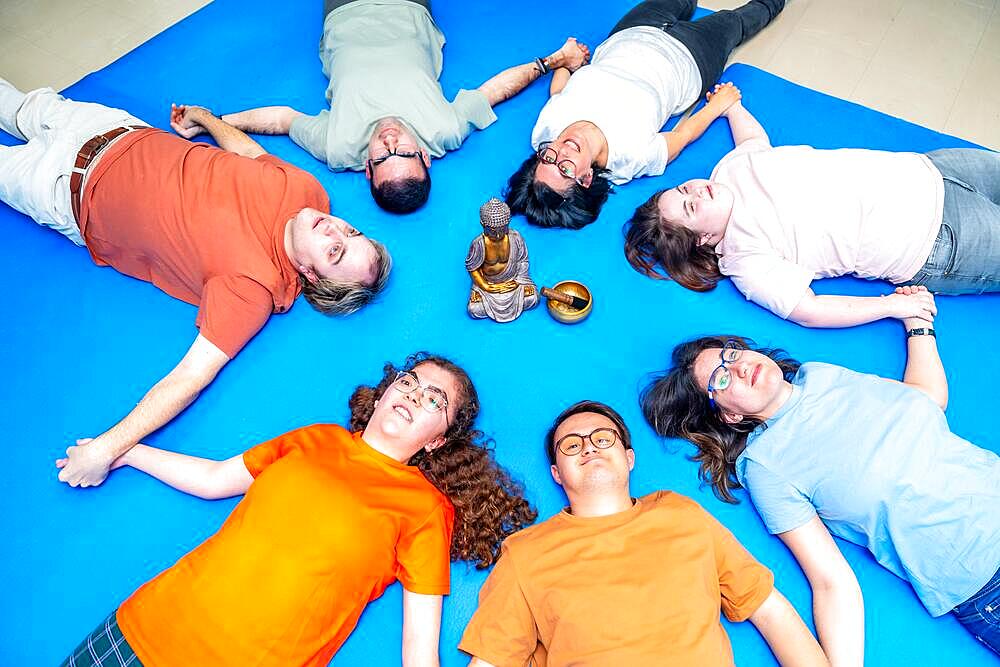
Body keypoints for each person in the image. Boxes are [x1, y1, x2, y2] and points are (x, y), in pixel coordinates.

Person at [0, 79, 391, 488]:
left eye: (335, 253)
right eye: (352, 234)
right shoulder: (308, 191)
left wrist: (106, 448)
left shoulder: (252, 289)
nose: (336, 232)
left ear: (311, 275)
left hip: (63, 187)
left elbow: (190, 376)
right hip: (114, 129)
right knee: (17, 105)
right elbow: (249, 154)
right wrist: (205, 118)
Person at [59, 352, 536, 667]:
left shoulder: (425, 510)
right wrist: (118, 451)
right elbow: (213, 480)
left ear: (436, 440)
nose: (415, 394)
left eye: (436, 400)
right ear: (387, 391)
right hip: (146, 627)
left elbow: (419, 650)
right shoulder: (317, 439)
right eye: (411, 382)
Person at [640, 287, 1000, 662]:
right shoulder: (765, 466)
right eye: (722, 378)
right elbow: (831, 581)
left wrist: (918, 324)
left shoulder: (821, 375)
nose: (740, 366)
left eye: (731, 354)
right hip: (984, 581)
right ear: (729, 415)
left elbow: (925, 400)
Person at [459, 400, 828, 666]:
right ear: (557, 472)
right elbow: (491, 661)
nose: (588, 447)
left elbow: (770, 611)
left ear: (629, 458)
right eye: (572, 445)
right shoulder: (526, 554)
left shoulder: (681, 515)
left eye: (603, 438)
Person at [624, 95, 1000, 327]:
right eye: (691, 206)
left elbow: (755, 142)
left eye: (682, 188)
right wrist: (890, 307)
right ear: (704, 238)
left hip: (933, 170)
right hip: (939, 240)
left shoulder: (726, 171)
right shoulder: (745, 260)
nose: (696, 190)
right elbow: (810, 310)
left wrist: (734, 109)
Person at [210, 0, 590, 214]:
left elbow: (282, 119)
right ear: (424, 155)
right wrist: (554, 60)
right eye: (403, 152)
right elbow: (496, 90)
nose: (390, 141)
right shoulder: (444, 131)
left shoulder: (338, 149)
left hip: (344, 9)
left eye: (382, 157)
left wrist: (218, 121)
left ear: (366, 169)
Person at [505, 0, 784, 230]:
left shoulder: (545, 132)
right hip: (691, 58)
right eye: (565, 169)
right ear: (586, 178)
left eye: (548, 158)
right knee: (737, 21)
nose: (560, 153)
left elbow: (559, 94)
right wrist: (718, 105)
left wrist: (566, 63)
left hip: (631, 32)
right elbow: (681, 136)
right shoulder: (629, 159)